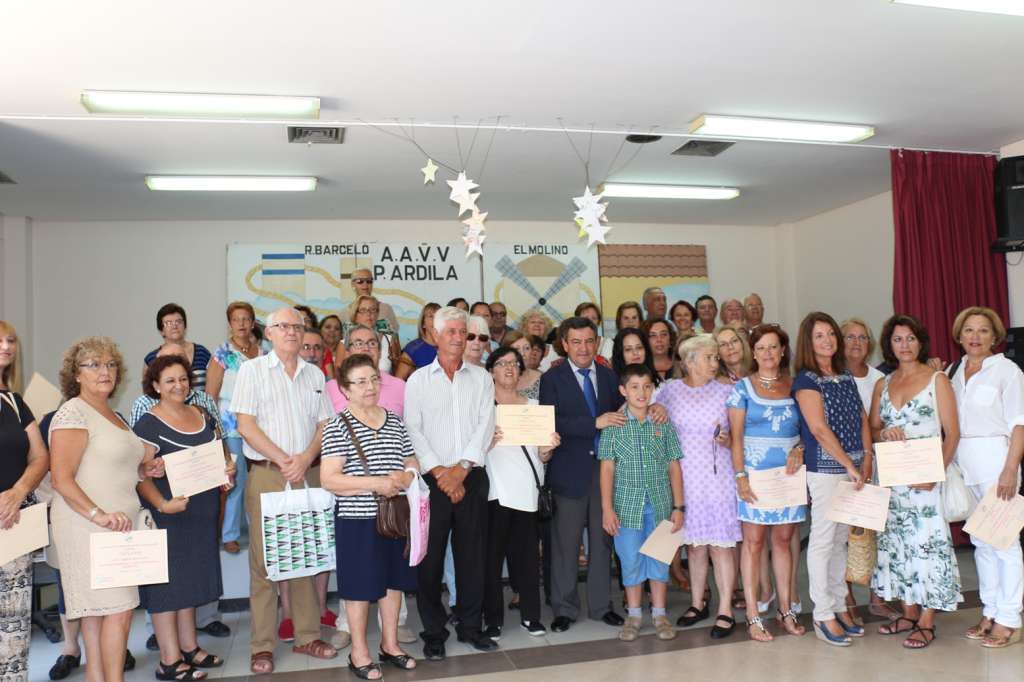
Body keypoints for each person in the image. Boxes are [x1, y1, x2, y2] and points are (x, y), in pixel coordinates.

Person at [233, 307, 339, 674]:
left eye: (297, 326)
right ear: (269, 333)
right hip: (268, 473)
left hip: (306, 472)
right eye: (283, 326)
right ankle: (262, 646)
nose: (291, 332)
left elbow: (325, 424)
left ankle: (307, 635)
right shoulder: (252, 371)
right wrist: (283, 459)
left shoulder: (315, 374)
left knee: (306, 556)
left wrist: (306, 457)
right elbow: (245, 425)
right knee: (265, 564)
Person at [50, 337, 150, 682]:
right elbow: (62, 479)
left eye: (110, 364)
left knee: (98, 615)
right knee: (120, 610)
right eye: (93, 365)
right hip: (88, 524)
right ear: (76, 374)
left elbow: (111, 466)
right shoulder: (73, 413)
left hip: (118, 526)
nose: (104, 371)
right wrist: (98, 515)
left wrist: (145, 470)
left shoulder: (113, 415)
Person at [133, 355, 235, 678]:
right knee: (167, 586)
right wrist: (163, 505)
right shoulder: (148, 424)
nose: (178, 385)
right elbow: (139, 475)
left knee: (190, 580)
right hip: (167, 514)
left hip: (201, 512)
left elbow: (219, 456)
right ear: (155, 386)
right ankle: (169, 660)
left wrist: (226, 471)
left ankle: (190, 647)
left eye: (183, 379)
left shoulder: (202, 414)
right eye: (170, 381)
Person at [319, 355, 420, 680]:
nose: (370, 387)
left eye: (374, 379)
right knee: (359, 587)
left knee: (393, 583)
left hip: (395, 517)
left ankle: (390, 645)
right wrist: (376, 483)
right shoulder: (337, 425)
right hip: (357, 520)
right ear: (345, 389)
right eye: (361, 382)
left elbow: (411, 459)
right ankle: (359, 652)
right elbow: (329, 479)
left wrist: (406, 476)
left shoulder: (394, 421)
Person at [404, 306, 497, 660]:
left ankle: (471, 627)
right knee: (429, 561)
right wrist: (441, 472)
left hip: (471, 477)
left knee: (472, 558)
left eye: (464, 332)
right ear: (435, 335)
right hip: (433, 482)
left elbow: (485, 425)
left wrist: (461, 468)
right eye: (452, 332)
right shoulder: (418, 380)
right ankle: (433, 631)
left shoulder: (482, 378)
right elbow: (413, 428)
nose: (459, 338)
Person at [868, 314, 962, 650]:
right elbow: (873, 429)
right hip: (893, 482)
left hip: (925, 481)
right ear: (889, 345)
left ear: (920, 342)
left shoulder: (937, 379)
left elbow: (953, 433)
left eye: (910, 338)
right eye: (898, 339)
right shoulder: (883, 383)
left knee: (929, 546)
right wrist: (884, 433)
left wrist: (936, 473)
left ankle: (927, 620)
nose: (904, 345)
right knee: (897, 547)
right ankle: (908, 613)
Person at [541, 317, 628, 634]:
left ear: (598, 343)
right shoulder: (552, 379)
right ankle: (564, 609)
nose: (583, 348)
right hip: (568, 472)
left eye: (589, 341)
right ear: (564, 344)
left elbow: (624, 414)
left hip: (605, 472)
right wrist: (594, 423)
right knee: (566, 545)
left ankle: (601, 606)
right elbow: (551, 420)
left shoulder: (608, 376)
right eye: (576, 342)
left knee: (603, 543)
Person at [792, 312, 873, 646]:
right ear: (808, 343)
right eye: (819, 336)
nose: (827, 340)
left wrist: (866, 457)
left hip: (854, 467)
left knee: (841, 540)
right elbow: (818, 429)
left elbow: (861, 418)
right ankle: (823, 613)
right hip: (826, 469)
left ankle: (840, 606)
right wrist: (849, 465)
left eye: (830, 334)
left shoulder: (844, 375)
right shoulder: (806, 380)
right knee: (823, 540)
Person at [948, 306, 1024, 648]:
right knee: (981, 542)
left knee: (1004, 542)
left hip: (997, 463)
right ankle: (990, 610)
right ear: (959, 335)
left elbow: (1019, 424)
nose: (975, 336)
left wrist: (1010, 469)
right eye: (969, 330)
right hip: (964, 466)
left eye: (982, 330)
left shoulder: (1007, 371)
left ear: (995, 337)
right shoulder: (953, 371)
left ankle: (1010, 617)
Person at [656, 335, 739, 638]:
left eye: (716, 357)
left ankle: (725, 609)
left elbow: (740, 434)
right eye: (709, 357)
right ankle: (696, 603)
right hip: (684, 478)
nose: (715, 362)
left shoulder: (727, 391)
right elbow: (649, 416)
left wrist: (728, 440)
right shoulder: (669, 391)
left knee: (720, 546)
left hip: (718, 478)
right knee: (694, 545)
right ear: (689, 362)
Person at [728, 325, 806, 642]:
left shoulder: (796, 386)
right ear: (754, 352)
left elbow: (809, 430)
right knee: (754, 542)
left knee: (784, 541)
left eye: (773, 347)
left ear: (783, 350)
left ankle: (786, 610)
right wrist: (740, 476)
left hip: (788, 476)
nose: (768, 353)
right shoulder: (742, 388)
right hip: (755, 475)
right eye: (761, 348)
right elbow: (735, 438)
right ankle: (753, 615)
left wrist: (801, 448)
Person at [600, 363, 684, 641]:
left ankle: (659, 614)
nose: (641, 392)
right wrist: (607, 509)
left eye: (647, 386)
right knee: (630, 560)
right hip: (626, 508)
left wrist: (679, 507)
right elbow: (607, 468)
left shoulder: (662, 422)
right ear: (623, 390)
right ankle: (634, 615)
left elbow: (673, 465)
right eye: (634, 387)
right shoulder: (614, 425)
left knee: (659, 559)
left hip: (660, 505)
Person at [484, 347, 559, 638]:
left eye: (514, 364)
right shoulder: (482, 408)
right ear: (491, 370)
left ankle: (531, 616)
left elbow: (542, 456)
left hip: (527, 492)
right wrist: (485, 442)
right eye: (502, 363)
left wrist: (548, 450)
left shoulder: (535, 407)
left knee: (527, 559)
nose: (509, 368)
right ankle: (492, 620)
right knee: (491, 561)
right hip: (493, 492)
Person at [0, 321, 50, 679]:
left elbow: (40, 457)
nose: (6, 346)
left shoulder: (16, 403)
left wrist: (18, 493)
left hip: (14, 525)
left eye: (10, 340)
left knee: (13, 626)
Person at [840, 317, 896, 620]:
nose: (857, 343)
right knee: (844, 535)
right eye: (850, 337)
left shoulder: (879, 379)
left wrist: (871, 456)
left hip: (875, 463)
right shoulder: (832, 376)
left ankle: (878, 597)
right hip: (842, 464)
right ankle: (846, 597)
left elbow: (883, 421)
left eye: (862, 337)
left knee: (876, 532)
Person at [206, 302, 263, 554]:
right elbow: (211, 395)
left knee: (260, 480)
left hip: (260, 426)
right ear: (230, 323)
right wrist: (214, 430)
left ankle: (259, 532)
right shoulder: (222, 353)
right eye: (236, 319)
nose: (241, 324)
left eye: (246, 319)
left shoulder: (263, 352)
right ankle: (230, 534)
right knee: (235, 480)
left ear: (253, 322)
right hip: (230, 427)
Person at [144, 303, 212, 392]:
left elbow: (214, 387)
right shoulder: (151, 359)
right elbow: (148, 393)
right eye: (168, 323)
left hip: (202, 401)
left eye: (179, 321)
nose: (174, 326)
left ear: (185, 327)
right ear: (161, 331)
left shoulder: (202, 352)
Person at [347, 296, 400, 375]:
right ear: (355, 315)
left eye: (373, 310)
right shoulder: (346, 341)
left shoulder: (390, 340)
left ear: (377, 313)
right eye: (363, 310)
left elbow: (397, 373)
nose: (369, 314)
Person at [344, 269, 399, 333]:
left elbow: (395, 335)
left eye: (369, 281)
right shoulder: (344, 313)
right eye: (360, 281)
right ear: (352, 284)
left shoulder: (386, 309)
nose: (365, 285)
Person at [394, 303, 440, 380]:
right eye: (431, 316)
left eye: (438, 317)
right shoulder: (412, 349)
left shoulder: (449, 347)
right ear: (423, 324)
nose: (435, 320)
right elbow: (398, 381)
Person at [502, 331, 543, 399]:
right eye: (516, 349)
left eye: (527, 348)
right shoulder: (496, 379)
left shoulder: (544, 379)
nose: (522, 353)